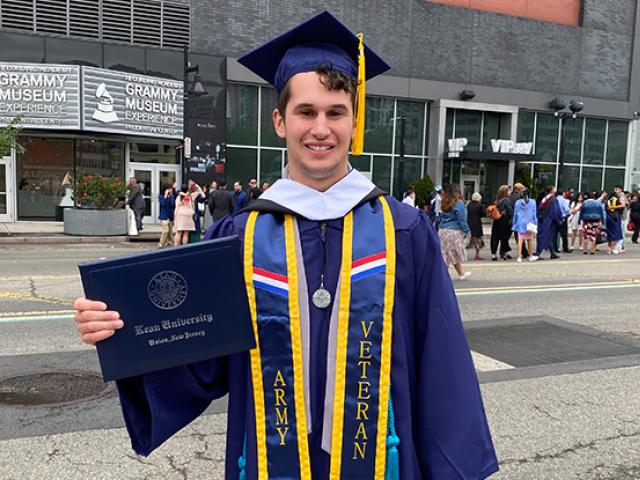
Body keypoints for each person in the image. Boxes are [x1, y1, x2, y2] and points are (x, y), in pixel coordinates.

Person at [72, 11, 498, 480]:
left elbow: (442, 364)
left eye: (336, 113)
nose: (321, 128)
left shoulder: (405, 232)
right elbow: (198, 360)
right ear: (280, 121)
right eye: (306, 112)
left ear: (353, 122)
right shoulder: (238, 238)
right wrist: (119, 327)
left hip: (380, 463)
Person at [438, 184, 472, 280]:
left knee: (447, 253)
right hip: (454, 231)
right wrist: (467, 231)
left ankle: (461, 274)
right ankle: (441, 276)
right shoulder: (458, 203)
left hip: (443, 230)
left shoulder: (444, 201)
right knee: (451, 254)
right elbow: (462, 219)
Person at [534, 185, 564, 259]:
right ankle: (538, 253)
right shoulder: (553, 199)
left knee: (547, 236)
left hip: (543, 220)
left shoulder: (545, 198)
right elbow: (555, 211)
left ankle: (552, 253)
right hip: (549, 221)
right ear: (551, 190)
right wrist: (559, 219)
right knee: (546, 236)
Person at [511, 189, 539, 263]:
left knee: (520, 240)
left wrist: (514, 223)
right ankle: (530, 255)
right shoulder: (533, 202)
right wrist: (536, 223)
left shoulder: (517, 203)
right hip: (529, 222)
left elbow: (515, 214)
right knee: (530, 240)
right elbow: (534, 214)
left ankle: (519, 256)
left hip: (520, 222)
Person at [490, 185, 513, 261]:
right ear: (505, 192)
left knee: (495, 237)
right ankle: (504, 253)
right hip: (504, 220)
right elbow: (510, 211)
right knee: (504, 237)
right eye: (509, 191)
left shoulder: (497, 200)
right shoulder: (507, 200)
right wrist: (512, 219)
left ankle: (493, 254)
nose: (510, 192)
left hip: (496, 220)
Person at [510, 183, 529, 258]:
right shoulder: (520, 197)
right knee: (521, 235)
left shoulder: (511, 196)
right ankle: (524, 252)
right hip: (520, 218)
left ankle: (503, 251)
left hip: (512, 218)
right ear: (519, 189)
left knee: (514, 235)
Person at [466, 192, 485, 260]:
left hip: (469, 223)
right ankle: (477, 255)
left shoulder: (469, 205)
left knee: (468, 239)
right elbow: (483, 214)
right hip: (477, 223)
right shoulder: (480, 205)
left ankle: (464, 253)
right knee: (478, 240)